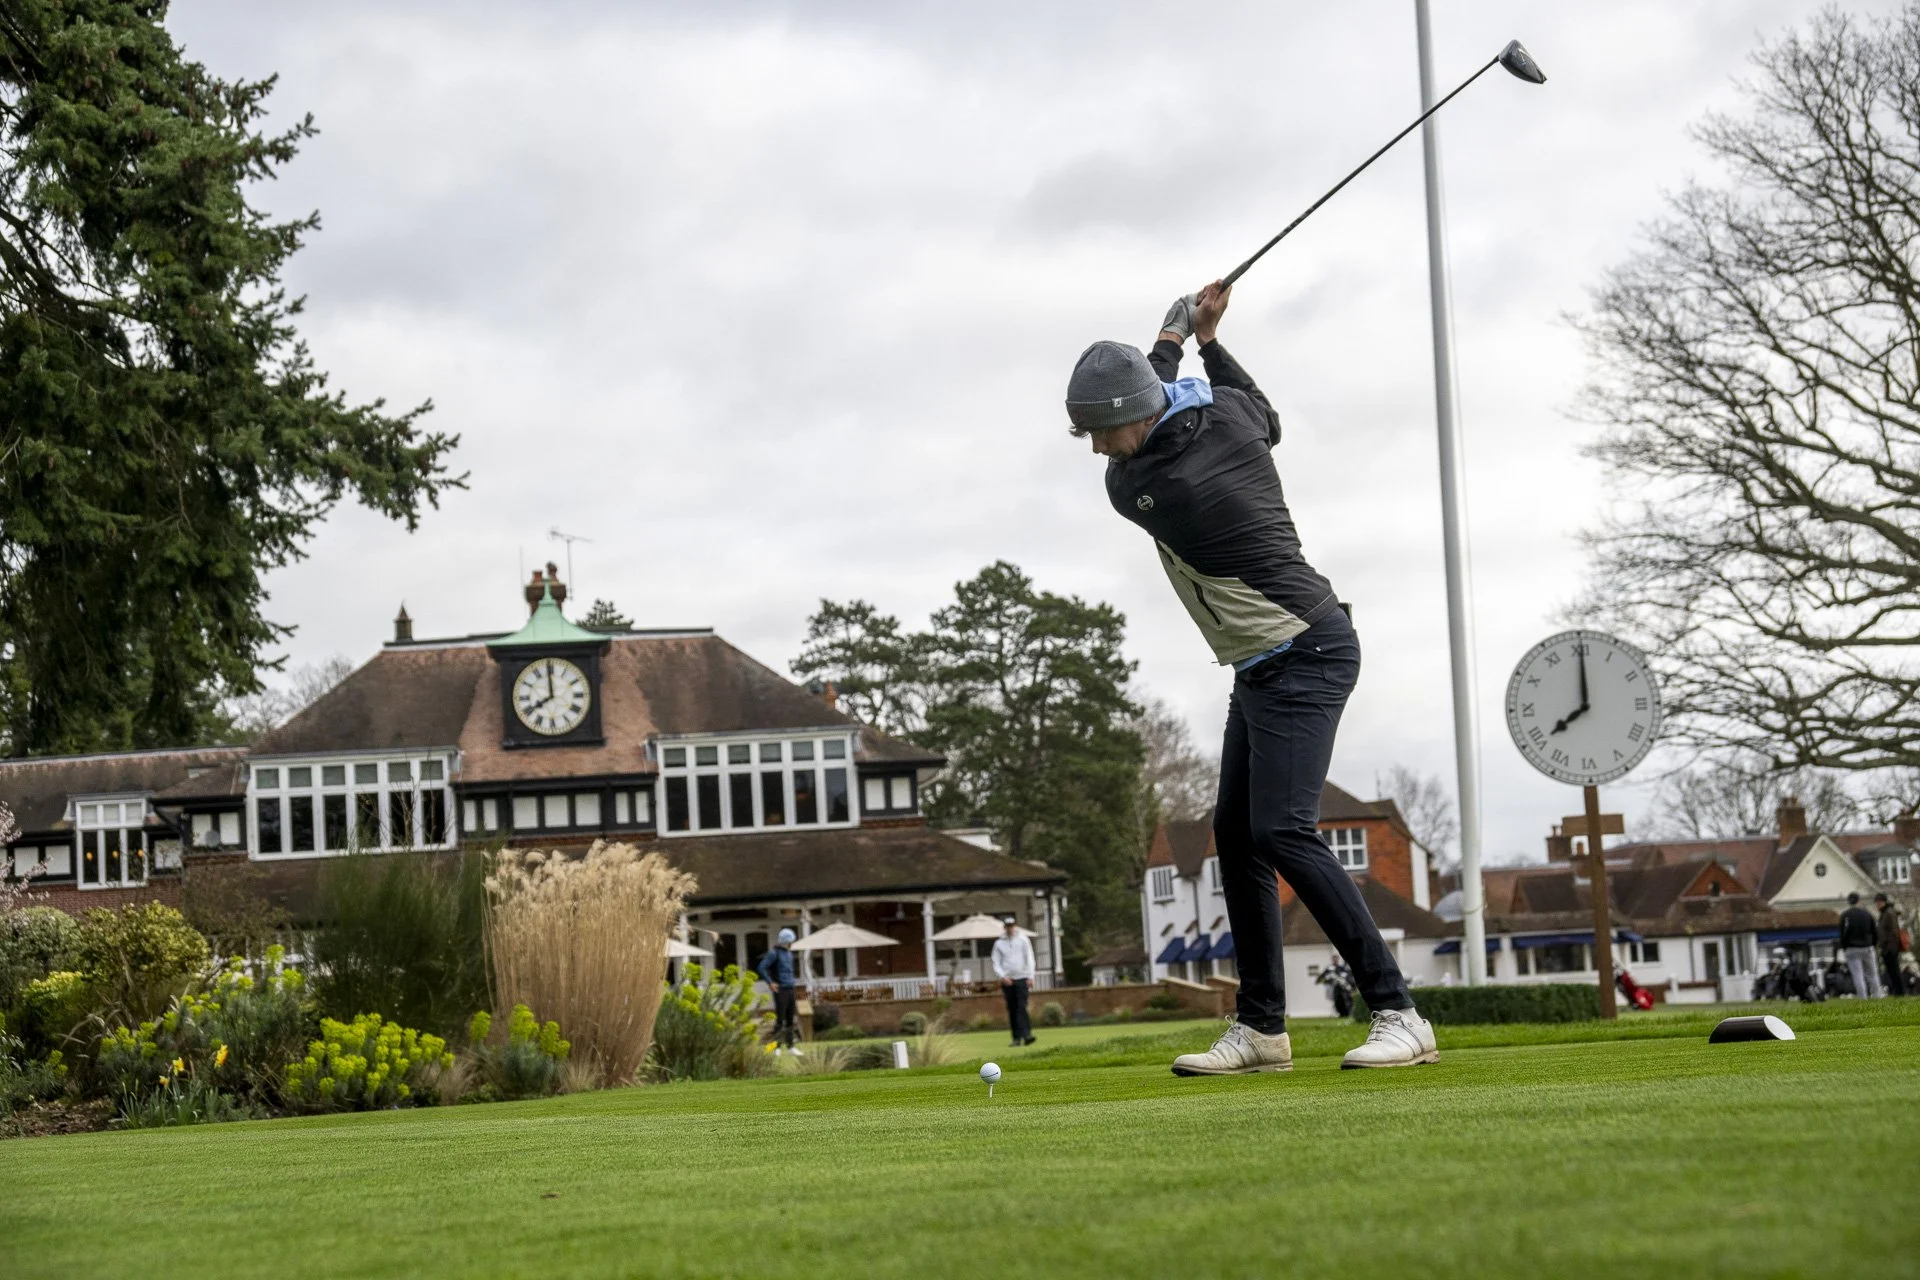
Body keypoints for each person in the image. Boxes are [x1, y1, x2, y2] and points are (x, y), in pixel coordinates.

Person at [1066, 282, 1436, 1075]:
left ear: (1139, 412)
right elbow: (1252, 405)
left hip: (1303, 649)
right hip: (1267, 660)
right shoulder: (1233, 420)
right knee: (1236, 835)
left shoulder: (1146, 489)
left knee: (1282, 831)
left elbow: (1171, 396)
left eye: (1104, 432)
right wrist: (1200, 337)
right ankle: (1263, 1029)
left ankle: (1399, 1013)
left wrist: (1174, 335)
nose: (1100, 450)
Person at [991, 917, 1036, 1047]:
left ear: (1015, 926)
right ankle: (1016, 1038)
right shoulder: (999, 943)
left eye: (1012, 926)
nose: (1010, 928)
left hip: (1022, 978)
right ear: (1005, 927)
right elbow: (996, 962)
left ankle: (1027, 1035)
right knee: (1012, 1008)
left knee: (1022, 1007)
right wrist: (1002, 976)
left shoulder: (1023, 940)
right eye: (1008, 926)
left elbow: (1029, 958)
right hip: (1008, 981)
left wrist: (1031, 976)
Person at [757, 928, 801, 1052]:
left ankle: (790, 1046)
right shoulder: (774, 953)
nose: (792, 943)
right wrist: (770, 982)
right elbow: (761, 968)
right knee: (780, 1019)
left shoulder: (789, 953)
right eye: (790, 941)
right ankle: (775, 1048)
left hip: (790, 988)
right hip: (780, 989)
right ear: (786, 941)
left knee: (790, 1018)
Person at [1839, 892, 1883, 998]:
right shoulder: (1867, 914)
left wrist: (1845, 947)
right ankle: (1877, 995)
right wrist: (1873, 944)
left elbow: (1842, 933)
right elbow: (1874, 931)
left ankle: (1863, 997)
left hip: (1852, 948)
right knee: (1872, 974)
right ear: (1859, 901)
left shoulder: (1845, 915)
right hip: (1867, 947)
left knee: (1858, 975)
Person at [1875, 894, 1908, 997]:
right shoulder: (1884, 913)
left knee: (1894, 970)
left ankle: (1900, 992)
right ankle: (1897, 991)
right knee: (1890, 970)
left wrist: (1889, 946)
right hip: (1886, 947)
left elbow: (1893, 932)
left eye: (1879, 902)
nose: (1877, 905)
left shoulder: (1889, 913)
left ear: (1883, 902)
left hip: (1890, 948)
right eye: (1876, 903)